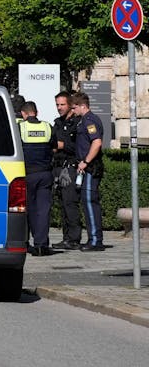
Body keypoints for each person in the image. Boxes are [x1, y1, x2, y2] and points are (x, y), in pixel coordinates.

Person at [17, 99, 54, 256]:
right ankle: (41, 244)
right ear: (36, 112)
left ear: (24, 114)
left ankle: (27, 243)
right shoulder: (47, 126)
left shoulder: (20, 127)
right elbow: (54, 146)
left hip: (28, 174)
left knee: (29, 209)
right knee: (44, 210)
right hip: (45, 174)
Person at [71, 92, 107, 251]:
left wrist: (85, 161)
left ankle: (95, 241)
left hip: (90, 168)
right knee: (87, 202)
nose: (73, 111)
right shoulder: (83, 120)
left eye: (74, 107)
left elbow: (97, 142)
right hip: (86, 167)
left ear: (82, 106)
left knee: (90, 202)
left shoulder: (90, 120)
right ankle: (93, 238)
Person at [52, 91, 82, 250]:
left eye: (62, 104)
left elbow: (79, 146)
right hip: (58, 166)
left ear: (70, 104)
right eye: (57, 104)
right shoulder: (57, 123)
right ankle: (66, 238)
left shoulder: (77, 123)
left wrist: (63, 145)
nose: (59, 107)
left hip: (70, 167)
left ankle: (74, 239)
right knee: (62, 203)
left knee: (70, 203)